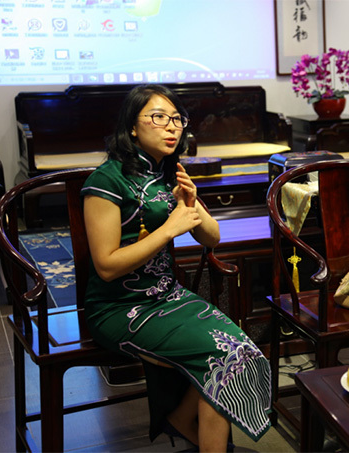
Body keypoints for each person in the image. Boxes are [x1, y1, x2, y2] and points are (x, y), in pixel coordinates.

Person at [81, 84, 271, 452]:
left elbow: (212, 237)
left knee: (242, 352)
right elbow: (106, 267)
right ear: (132, 126)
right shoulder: (106, 181)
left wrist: (192, 202)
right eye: (158, 117)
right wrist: (169, 228)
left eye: (177, 119)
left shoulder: (170, 174)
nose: (171, 127)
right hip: (119, 307)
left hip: (168, 297)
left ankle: (182, 420)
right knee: (224, 357)